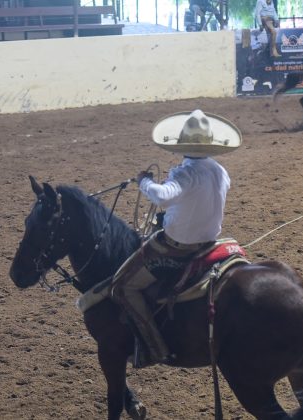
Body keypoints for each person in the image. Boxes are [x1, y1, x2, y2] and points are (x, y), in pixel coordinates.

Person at [111, 109, 242, 368]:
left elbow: (162, 197)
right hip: (209, 243)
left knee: (122, 286)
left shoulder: (185, 173)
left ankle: (154, 348)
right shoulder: (219, 170)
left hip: (176, 247)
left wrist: (144, 182)